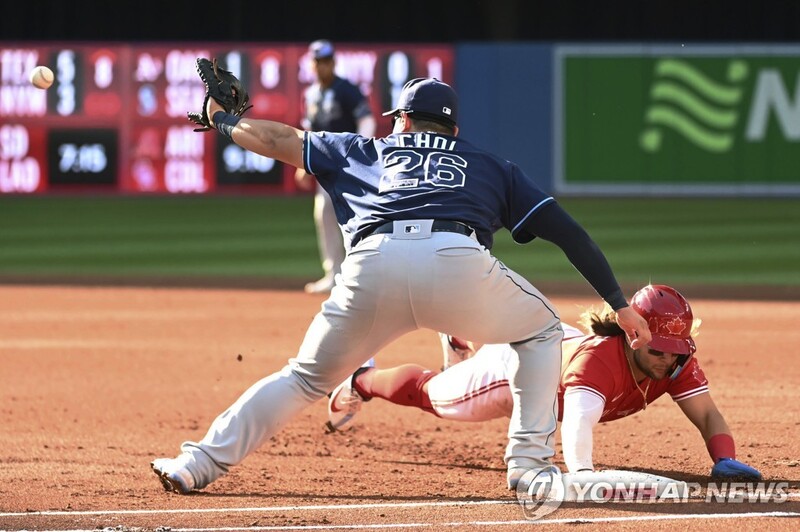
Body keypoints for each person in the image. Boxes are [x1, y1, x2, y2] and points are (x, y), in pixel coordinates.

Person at [151, 75, 652, 495]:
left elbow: (279, 140)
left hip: (372, 269)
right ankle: (529, 468)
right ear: (454, 129)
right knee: (541, 332)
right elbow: (568, 232)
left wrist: (224, 120)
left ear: (403, 120)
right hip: (458, 267)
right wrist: (618, 304)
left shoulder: (361, 150)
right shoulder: (490, 165)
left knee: (303, 379)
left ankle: (195, 465)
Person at [327, 285, 761, 480]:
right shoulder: (600, 364)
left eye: (676, 350)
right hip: (513, 371)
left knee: (444, 387)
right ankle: (361, 379)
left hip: (558, 350)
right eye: (659, 349)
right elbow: (575, 428)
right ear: (633, 335)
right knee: (434, 396)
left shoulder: (676, 359)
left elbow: (707, 414)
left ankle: (461, 339)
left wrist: (724, 458)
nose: (668, 360)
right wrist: (585, 474)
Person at [296, 40, 376, 294]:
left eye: (325, 62)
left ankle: (363, 275)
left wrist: (360, 152)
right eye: (316, 62)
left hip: (351, 165)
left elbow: (366, 121)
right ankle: (334, 274)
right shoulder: (311, 94)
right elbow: (309, 132)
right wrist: (302, 162)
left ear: (333, 63)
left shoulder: (347, 90)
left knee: (360, 217)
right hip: (326, 166)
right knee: (324, 214)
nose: (320, 66)